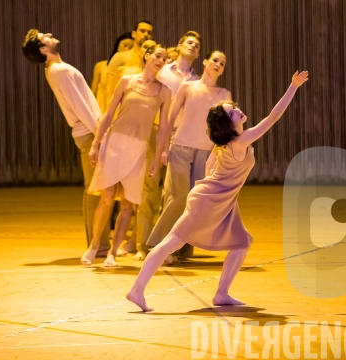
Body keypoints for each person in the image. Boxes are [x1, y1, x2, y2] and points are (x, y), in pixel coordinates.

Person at [127, 70, 310, 312]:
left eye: (234, 108)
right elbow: (273, 117)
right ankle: (137, 291)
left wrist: (214, 185)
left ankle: (222, 293)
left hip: (221, 201)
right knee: (171, 242)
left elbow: (208, 165)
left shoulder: (223, 144)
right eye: (231, 112)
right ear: (228, 123)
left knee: (241, 243)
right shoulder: (241, 141)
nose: (237, 111)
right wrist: (293, 86)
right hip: (211, 200)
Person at [21, 29, 111, 256]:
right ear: (43, 49)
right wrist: (99, 135)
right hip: (89, 132)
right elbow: (81, 106)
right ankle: (98, 245)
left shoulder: (55, 69)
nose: (50, 34)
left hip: (89, 131)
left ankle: (97, 242)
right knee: (96, 190)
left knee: (93, 189)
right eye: (45, 37)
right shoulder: (59, 70)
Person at [81, 45, 172, 268]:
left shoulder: (164, 92)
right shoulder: (126, 81)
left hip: (139, 147)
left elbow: (163, 129)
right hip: (115, 142)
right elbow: (109, 113)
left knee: (128, 204)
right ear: (147, 56)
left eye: (165, 58)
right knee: (107, 196)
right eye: (158, 56)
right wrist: (95, 143)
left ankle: (113, 252)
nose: (161, 60)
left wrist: (157, 158)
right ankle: (93, 246)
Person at [145, 51, 231, 263]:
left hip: (207, 152)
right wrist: (163, 149)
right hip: (181, 148)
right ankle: (158, 245)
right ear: (205, 62)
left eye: (222, 63)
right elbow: (169, 119)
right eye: (214, 60)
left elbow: (230, 128)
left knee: (196, 203)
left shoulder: (224, 94)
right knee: (179, 196)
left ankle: (181, 248)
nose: (218, 64)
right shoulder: (187, 87)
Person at [132, 31, 202, 261]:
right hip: (155, 131)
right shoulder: (163, 70)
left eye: (197, 45)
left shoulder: (197, 80)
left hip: (182, 138)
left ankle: (174, 246)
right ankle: (143, 244)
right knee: (150, 189)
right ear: (179, 45)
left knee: (177, 194)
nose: (192, 46)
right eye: (189, 42)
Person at [105, 21, 154, 103]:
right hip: (122, 106)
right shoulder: (120, 57)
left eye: (149, 32)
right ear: (133, 34)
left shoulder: (154, 60)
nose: (146, 34)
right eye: (142, 31)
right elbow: (109, 89)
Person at [91, 33, 134, 113]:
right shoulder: (100, 66)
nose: (126, 49)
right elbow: (93, 91)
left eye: (131, 47)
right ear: (118, 45)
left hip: (121, 109)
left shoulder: (130, 71)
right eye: (125, 45)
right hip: (100, 108)